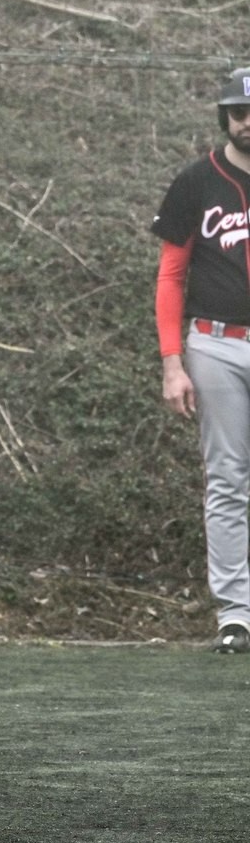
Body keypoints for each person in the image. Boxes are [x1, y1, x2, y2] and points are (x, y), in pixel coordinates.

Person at [154, 66, 250, 654]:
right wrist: (172, 362)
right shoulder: (196, 182)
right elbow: (170, 275)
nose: (249, 121)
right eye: (239, 111)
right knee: (228, 479)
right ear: (225, 117)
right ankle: (237, 613)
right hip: (215, 344)